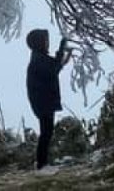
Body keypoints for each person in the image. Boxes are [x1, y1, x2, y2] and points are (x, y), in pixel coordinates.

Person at [25, 28, 72, 170]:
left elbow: (55, 65)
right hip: (43, 102)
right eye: (45, 40)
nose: (47, 43)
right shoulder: (38, 59)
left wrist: (63, 52)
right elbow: (53, 69)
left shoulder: (39, 57)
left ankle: (43, 163)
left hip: (44, 101)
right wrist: (62, 48)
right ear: (39, 43)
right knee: (46, 132)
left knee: (47, 132)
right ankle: (41, 164)